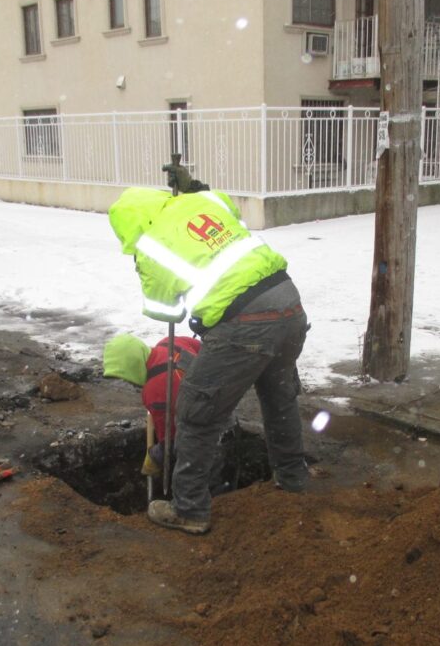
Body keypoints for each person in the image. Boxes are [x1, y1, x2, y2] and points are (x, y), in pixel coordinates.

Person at [108, 166, 309, 535]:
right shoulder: (203, 201)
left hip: (244, 323)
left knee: (196, 413)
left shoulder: (149, 246)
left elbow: (166, 311)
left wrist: (155, 269)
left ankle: (188, 509)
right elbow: (228, 208)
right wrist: (193, 193)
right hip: (290, 305)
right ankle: (293, 479)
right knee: (279, 399)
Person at [102, 332, 201, 466]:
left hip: (207, 423)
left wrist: (155, 457)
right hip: (224, 392)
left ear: (132, 366)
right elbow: (203, 349)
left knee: (186, 479)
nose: (126, 381)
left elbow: (170, 443)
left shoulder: (155, 392)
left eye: (124, 375)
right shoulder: (170, 342)